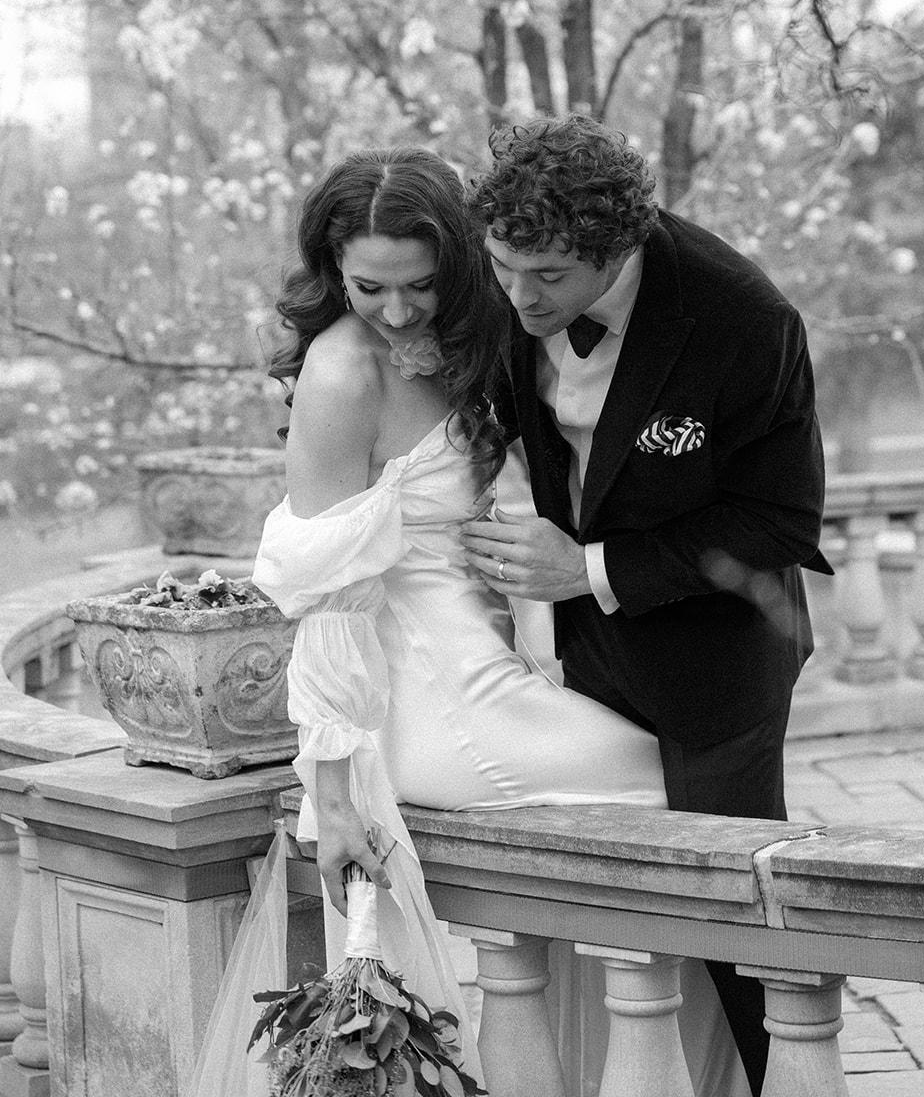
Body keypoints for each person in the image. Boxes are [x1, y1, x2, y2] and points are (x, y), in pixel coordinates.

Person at [193, 147, 747, 1097]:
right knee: (685, 795)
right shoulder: (340, 374)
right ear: (332, 270)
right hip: (431, 706)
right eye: (369, 287)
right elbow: (327, 603)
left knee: (706, 791)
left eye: (420, 284)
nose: (397, 311)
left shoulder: (469, 335)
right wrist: (334, 798)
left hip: (493, 672)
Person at [462, 114, 831, 1097]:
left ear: (616, 245)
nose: (517, 297)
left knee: (730, 917)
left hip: (719, 661)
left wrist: (590, 566)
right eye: (502, 267)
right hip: (583, 654)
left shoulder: (743, 320)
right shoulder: (515, 274)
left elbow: (780, 521)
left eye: (547, 277)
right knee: (606, 903)